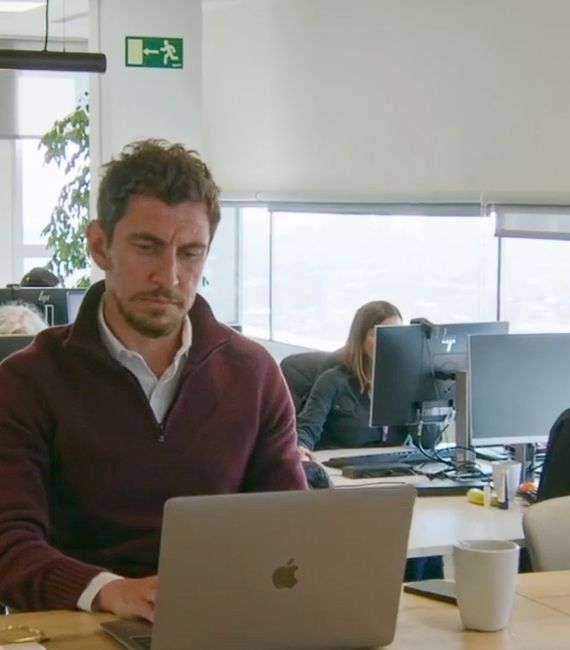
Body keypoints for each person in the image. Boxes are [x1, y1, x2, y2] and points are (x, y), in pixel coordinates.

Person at [0, 139, 306, 620]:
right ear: (101, 245)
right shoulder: (28, 381)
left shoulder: (253, 374)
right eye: (147, 247)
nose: (169, 276)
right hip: (83, 626)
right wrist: (107, 590)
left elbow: (292, 532)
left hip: (219, 622)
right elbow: (8, 543)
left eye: (190, 253)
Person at [296, 300, 407, 453]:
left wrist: (425, 396)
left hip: (394, 470)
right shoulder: (333, 381)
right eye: (380, 334)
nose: (390, 343)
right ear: (360, 339)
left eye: (396, 335)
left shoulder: (403, 385)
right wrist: (301, 450)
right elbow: (307, 429)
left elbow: (427, 443)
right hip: (341, 470)